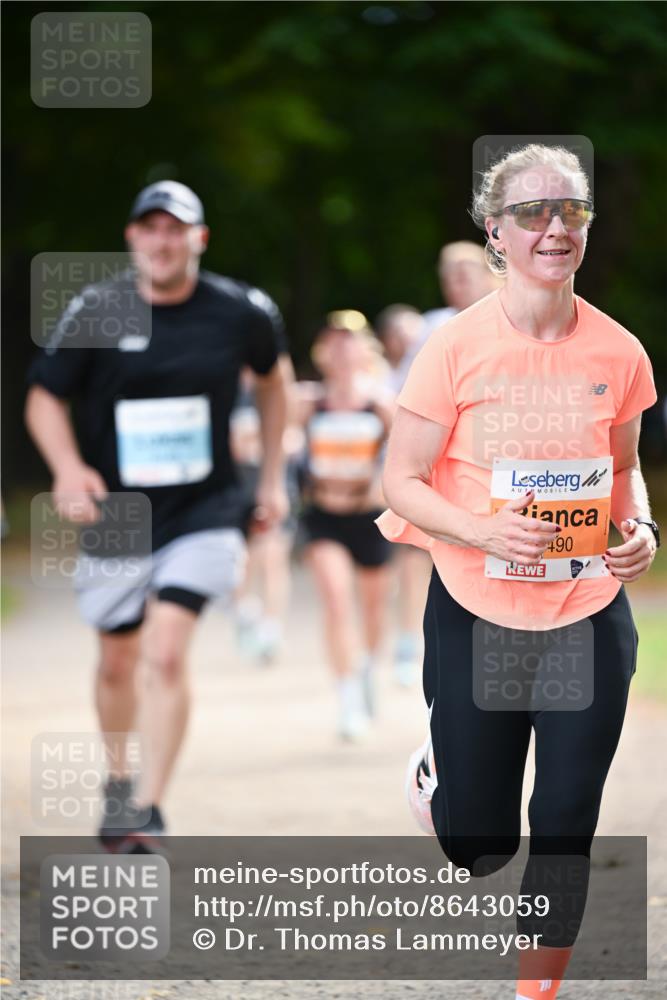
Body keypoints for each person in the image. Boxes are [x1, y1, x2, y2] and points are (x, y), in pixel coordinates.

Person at [378, 145, 658, 1000]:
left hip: (585, 607)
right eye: (532, 213)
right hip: (474, 607)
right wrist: (481, 531)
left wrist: (639, 524)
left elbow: (622, 467)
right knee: (479, 846)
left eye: (568, 211)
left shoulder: (619, 351)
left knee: (567, 818)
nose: (552, 228)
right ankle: (441, 779)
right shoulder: (452, 348)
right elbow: (400, 482)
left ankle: (534, 989)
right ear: (494, 234)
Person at [25, 180, 291, 851]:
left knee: (165, 653)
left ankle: (146, 809)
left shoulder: (241, 311)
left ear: (198, 238)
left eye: (177, 229)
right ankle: (121, 779)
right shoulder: (96, 310)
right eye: (151, 228)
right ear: (132, 238)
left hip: (208, 507)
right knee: (118, 662)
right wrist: (66, 469)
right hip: (119, 512)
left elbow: (275, 381)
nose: (163, 241)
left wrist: (270, 480)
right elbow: (44, 398)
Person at [297, 310, 394, 740]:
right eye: (333, 339)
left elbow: (405, 453)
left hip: (369, 518)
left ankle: (369, 666)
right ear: (322, 350)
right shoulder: (308, 401)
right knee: (336, 602)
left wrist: (385, 482)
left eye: (350, 339)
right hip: (323, 517)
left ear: (364, 348)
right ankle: (347, 697)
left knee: (372, 608)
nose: (341, 347)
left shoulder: (382, 402)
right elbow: (282, 442)